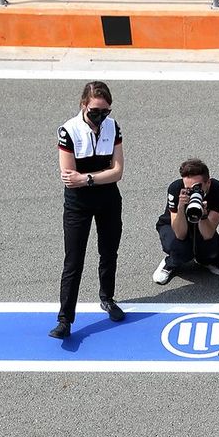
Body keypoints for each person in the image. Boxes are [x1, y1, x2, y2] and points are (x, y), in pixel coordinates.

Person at [50, 81, 125, 339]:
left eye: (105, 111)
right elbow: (68, 175)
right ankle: (64, 319)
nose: (100, 116)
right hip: (78, 204)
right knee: (74, 260)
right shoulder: (68, 130)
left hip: (108, 199)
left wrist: (87, 178)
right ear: (84, 105)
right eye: (95, 111)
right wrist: (97, 176)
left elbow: (118, 172)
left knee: (109, 252)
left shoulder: (113, 127)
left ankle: (108, 298)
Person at [153, 158, 219, 286]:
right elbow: (180, 234)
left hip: (203, 224)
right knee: (181, 249)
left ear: (208, 183)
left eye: (197, 187)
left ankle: (206, 259)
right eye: (188, 188)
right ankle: (170, 262)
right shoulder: (175, 189)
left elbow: (208, 234)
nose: (193, 192)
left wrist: (203, 215)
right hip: (173, 225)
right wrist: (181, 207)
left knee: (212, 252)